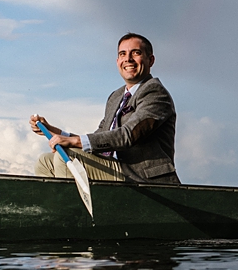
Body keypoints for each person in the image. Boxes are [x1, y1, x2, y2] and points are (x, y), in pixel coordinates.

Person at [31, 33, 180, 185]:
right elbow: (99, 139)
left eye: (136, 53)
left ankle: (71, 208)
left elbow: (129, 135)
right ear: (117, 61)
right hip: (113, 168)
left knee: (70, 154)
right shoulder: (116, 97)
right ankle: (54, 207)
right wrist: (55, 132)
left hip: (140, 176)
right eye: (123, 54)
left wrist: (73, 142)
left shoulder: (155, 92)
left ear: (151, 60)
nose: (128, 59)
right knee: (45, 161)